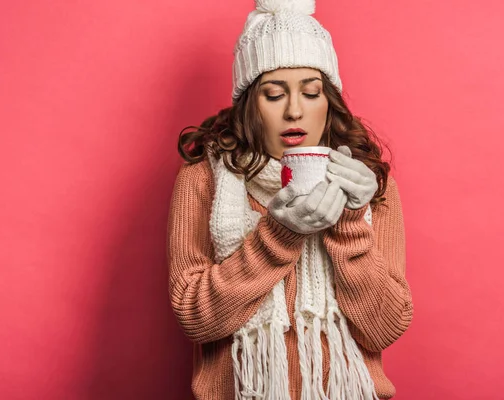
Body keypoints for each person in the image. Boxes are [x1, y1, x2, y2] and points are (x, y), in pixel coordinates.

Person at [167, 1, 413, 399]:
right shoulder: (203, 179)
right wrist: (279, 235)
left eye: (311, 93)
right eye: (274, 94)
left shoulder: (366, 186)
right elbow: (196, 317)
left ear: (328, 102)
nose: (295, 110)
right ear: (250, 105)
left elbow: (383, 326)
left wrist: (349, 223)